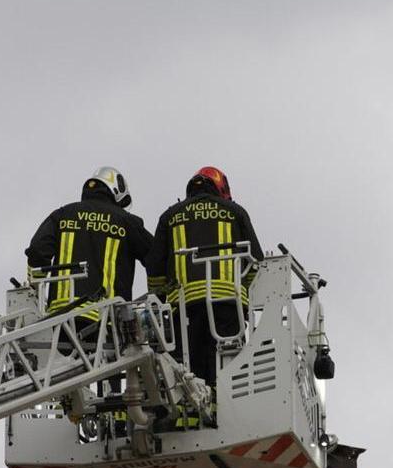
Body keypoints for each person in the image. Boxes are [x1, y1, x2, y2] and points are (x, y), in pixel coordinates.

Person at [147, 166, 263, 389]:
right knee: (227, 369)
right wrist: (245, 294)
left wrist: (162, 300)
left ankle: (190, 413)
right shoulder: (234, 211)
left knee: (188, 369)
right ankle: (224, 406)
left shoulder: (170, 216)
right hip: (227, 304)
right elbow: (256, 262)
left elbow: (154, 268)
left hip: (183, 307)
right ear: (220, 188)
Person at [26, 167, 153, 326]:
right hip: (108, 318)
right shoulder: (127, 221)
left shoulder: (63, 214)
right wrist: (158, 297)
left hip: (61, 316)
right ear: (116, 190)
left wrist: (35, 290)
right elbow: (156, 256)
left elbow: (37, 251)